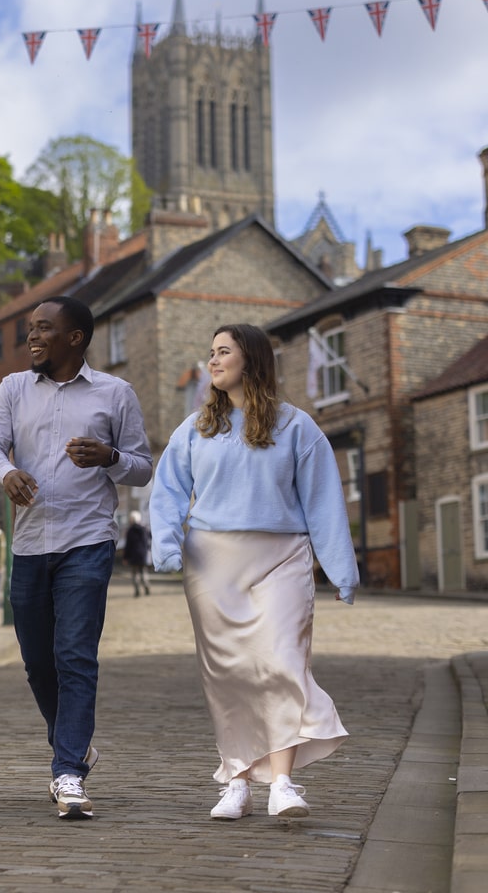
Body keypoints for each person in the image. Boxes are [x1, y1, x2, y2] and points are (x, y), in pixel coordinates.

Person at [148, 322, 359, 822]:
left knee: (282, 663)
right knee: (232, 675)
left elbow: (324, 501)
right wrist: (166, 547)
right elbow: (167, 492)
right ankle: (237, 779)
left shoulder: (297, 427)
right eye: (211, 352)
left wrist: (340, 571)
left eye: (224, 352)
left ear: (252, 360)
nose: (213, 361)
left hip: (282, 558)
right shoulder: (196, 428)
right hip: (212, 566)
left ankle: (283, 783)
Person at [0, 296, 153, 820]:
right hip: (29, 544)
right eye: (30, 329)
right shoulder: (12, 389)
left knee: (75, 656)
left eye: (44, 330)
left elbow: (143, 467)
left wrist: (111, 457)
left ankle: (67, 773)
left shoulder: (115, 393)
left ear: (75, 338)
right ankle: (73, 745)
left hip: (87, 541)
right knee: (37, 663)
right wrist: (4, 474)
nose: (32, 338)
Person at [123, 511, 151, 597]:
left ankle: (137, 590)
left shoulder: (130, 531)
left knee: (135, 573)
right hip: (143, 554)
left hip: (133, 555)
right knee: (143, 572)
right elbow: (149, 540)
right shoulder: (144, 529)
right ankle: (146, 587)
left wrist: (125, 557)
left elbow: (128, 545)